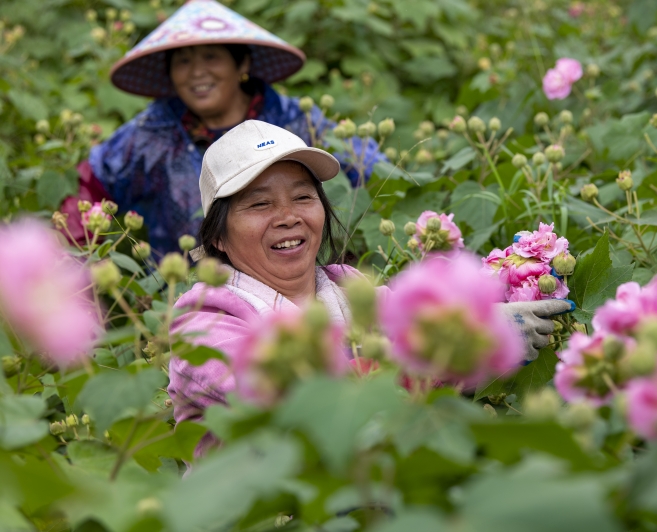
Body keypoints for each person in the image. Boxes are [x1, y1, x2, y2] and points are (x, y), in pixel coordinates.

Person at [166, 120, 573, 457]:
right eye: (260, 204)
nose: (288, 217)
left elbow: (432, 369)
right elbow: (292, 400)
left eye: (303, 197)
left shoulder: (352, 290)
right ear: (217, 236)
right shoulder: (203, 323)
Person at [62, 0, 382, 254]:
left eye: (211, 57)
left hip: (295, 282)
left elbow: (375, 176)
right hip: (177, 299)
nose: (197, 73)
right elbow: (88, 192)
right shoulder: (149, 134)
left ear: (241, 64)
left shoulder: (295, 121)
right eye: (183, 62)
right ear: (170, 74)